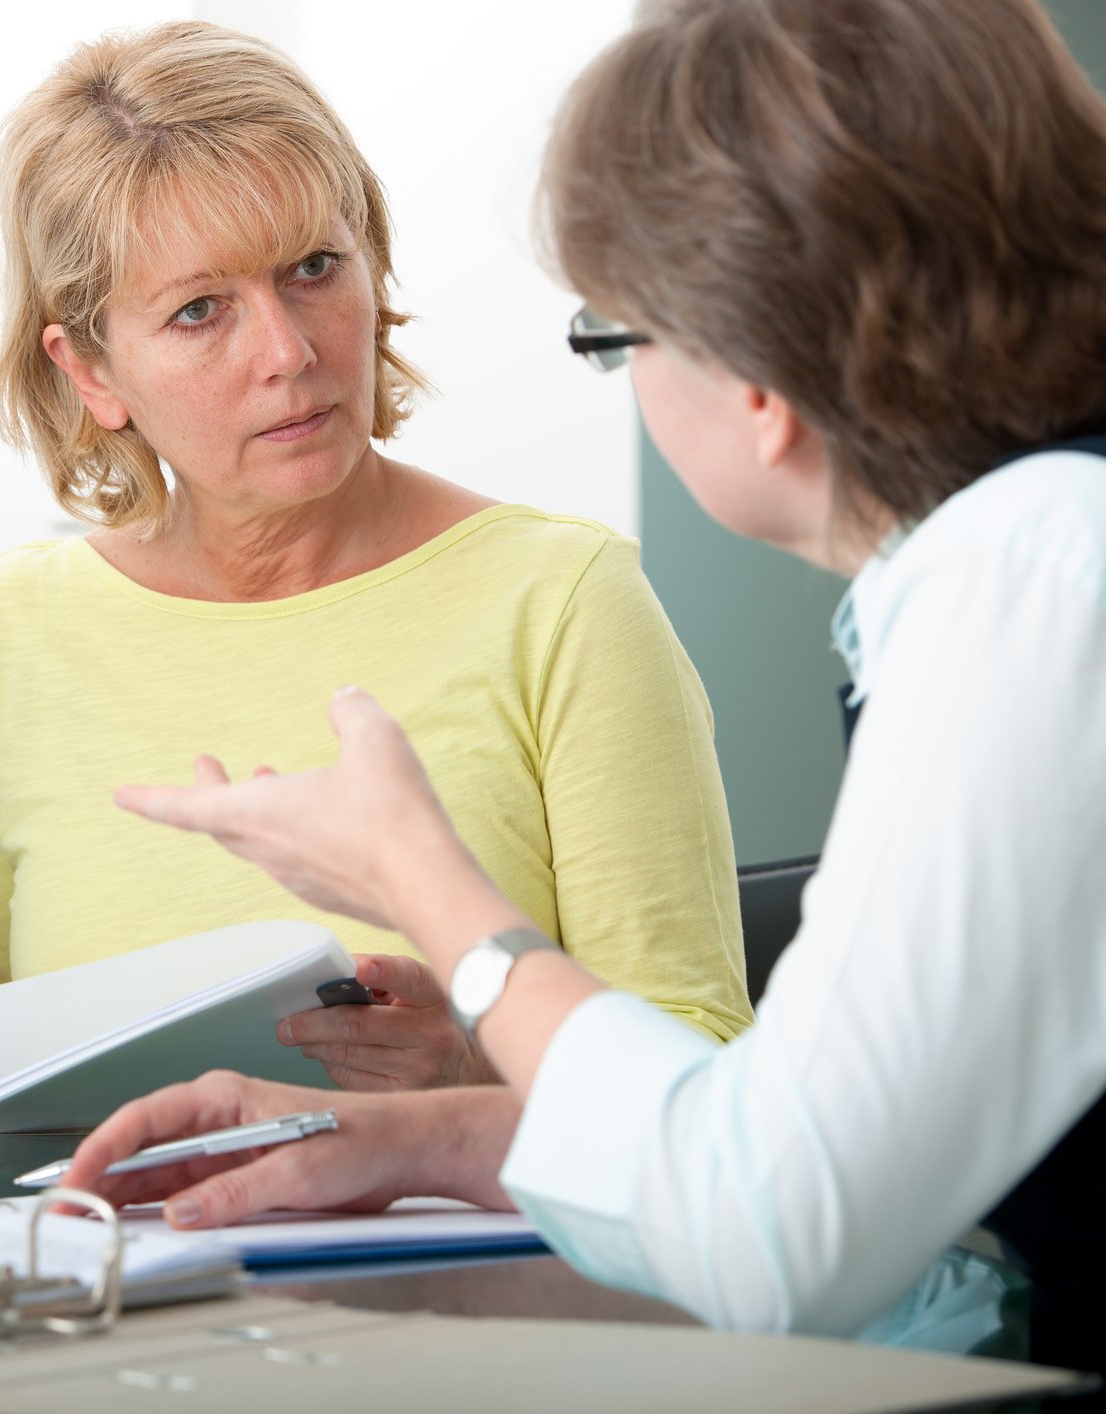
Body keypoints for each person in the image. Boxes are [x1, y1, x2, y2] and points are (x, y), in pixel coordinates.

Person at [63, 0, 1106, 1367]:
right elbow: (791, 1140)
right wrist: (405, 1139)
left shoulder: (1031, 574)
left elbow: (773, 1229)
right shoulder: (1036, 550)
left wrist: (416, 873)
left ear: (753, 373)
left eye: (617, 334)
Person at [0, 19, 751, 1091]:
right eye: (199, 311)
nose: (290, 350)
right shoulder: (3, 636)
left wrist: (470, 1069)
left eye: (314, 268)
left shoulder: (563, 599)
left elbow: (702, 1066)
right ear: (90, 372)